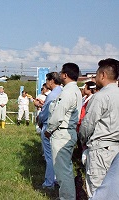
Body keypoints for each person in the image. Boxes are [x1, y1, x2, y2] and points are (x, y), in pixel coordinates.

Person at [79, 58, 119, 197]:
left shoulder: (100, 96)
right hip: (116, 149)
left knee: (97, 191)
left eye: (96, 75)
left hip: (101, 150)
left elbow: (88, 124)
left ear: (103, 75)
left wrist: (82, 140)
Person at [45, 63, 82, 200]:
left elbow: (58, 114)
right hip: (68, 132)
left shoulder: (67, 92)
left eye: (61, 73)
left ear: (65, 75)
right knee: (65, 168)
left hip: (62, 133)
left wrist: (49, 130)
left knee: (62, 171)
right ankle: (67, 196)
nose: (60, 75)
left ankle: (67, 197)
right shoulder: (75, 90)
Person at [37, 72, 62, 190]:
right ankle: (57, 179)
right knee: (58, 156)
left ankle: (49, 182)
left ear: (51, 81)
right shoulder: (63, 92)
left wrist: (39, 119)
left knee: (49, 156)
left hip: (49, 127)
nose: (46, 83)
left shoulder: (52, 95)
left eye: (47, 81)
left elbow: (45, 114)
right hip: (61, 128)